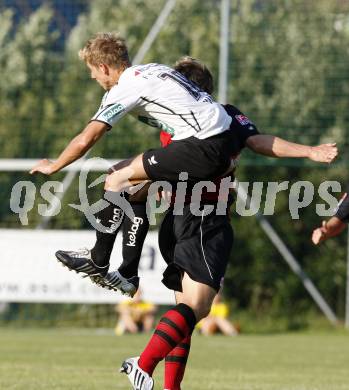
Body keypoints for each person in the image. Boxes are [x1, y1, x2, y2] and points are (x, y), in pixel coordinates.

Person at [29, 33, 338, 390]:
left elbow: (250, 142)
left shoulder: (197, 117)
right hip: (203, 222)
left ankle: (130, 290)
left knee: (184, 308)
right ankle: (127, 309)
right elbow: (248, 145)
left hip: (180, 223)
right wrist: (307, 151)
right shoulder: (203, 122)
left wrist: (308, 152)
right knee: (195, 308)